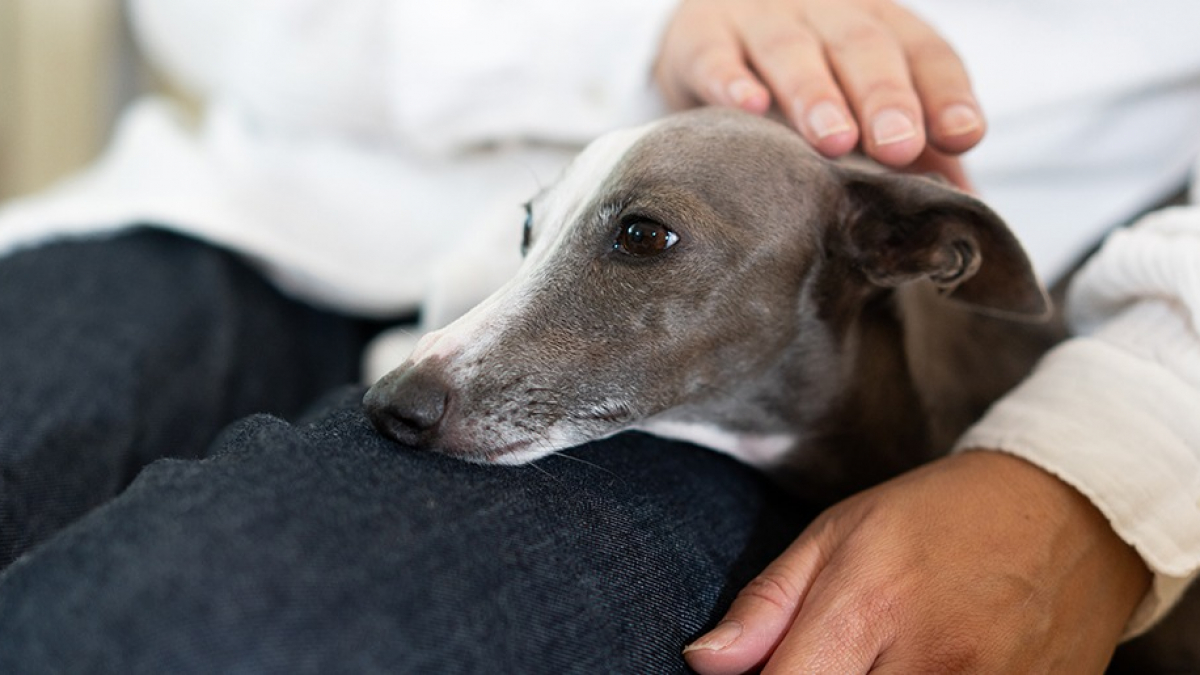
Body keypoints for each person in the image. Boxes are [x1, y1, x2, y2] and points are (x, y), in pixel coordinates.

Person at [0, 0, 1197, 672]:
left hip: (740, 399)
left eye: (643, 240)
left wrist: (1104, 454)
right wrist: (630, 38)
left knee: (157, 639)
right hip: (245, 214)